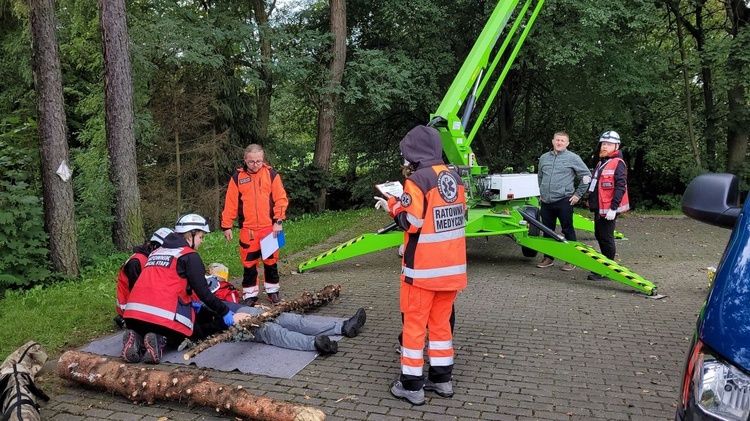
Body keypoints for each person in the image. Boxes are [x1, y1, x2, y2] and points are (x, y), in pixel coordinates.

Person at [375, 125, 467, 406]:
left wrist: (393, 205)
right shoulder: (454, 177)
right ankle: (442, 381)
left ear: (412, 152)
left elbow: (411, 222)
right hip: (452, 269)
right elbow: (458, 216)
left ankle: (411, 385)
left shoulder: (417, 180)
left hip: (423, 271)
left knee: (414, 327)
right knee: (441, 327)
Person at [121, 214, 249, 364]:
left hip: (132, 317)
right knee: (196, 333)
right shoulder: (189, 256)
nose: (201, 242)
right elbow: (204, 293)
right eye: (201, 237)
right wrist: (226, 313)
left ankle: (137, 336)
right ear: (191, 235)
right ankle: (161, 339)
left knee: (155, 323)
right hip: (160, 318)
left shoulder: (156, 252)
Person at [221, 144, 289, 306]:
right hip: (248, 230)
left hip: (269, 229)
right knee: (249, 263)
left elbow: (281, 199)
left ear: (263, 159)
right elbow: (230, 203)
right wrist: (227, 226)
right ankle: (250, 295)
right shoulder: (237, 178)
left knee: (271, 261)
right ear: (245, 160)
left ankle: (273, 291)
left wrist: (278, 221)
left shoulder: (272, 175)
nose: (255, 164)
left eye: (258, 161)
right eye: (251, 162)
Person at [536, 131, 592, 270]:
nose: (559, 142)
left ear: (567, 143)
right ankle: (548, 257)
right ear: (553, 141)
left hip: (564, 200)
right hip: (546, 201)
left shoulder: (573, 158)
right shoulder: (544, 158)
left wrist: (578, 195)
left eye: (562, 140)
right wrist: (541, 193)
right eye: (557, 140)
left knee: (568, 230)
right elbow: (540, 177)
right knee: (547, 230)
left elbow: (586, 176)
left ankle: (571, 259)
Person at [226, 303, 367, 354]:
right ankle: (316, 344)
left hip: (243, 310)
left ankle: (342, 327)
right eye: (201, 237)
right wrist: (231, 320)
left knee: (291, 319)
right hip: (233, 325)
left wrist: (250, 306)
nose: (202, 240)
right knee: (274, 332)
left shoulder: (206, 291)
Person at [587, 130, 630, 280]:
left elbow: (620, 186)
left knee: (606, 238)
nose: (604, 146)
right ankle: (605, 265)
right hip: (600, 208)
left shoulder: (618, 163)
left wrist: (614, 208)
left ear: (616, 146)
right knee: (599, 235)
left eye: (608, 144)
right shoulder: (602, 161)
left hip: (608, 209)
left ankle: (608, 270)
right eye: (603, 143)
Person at [114, 227, 173, 328]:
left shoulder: (149, 257)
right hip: (130, 305)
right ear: (155, 246)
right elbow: (137, 291)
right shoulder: (136, 262)